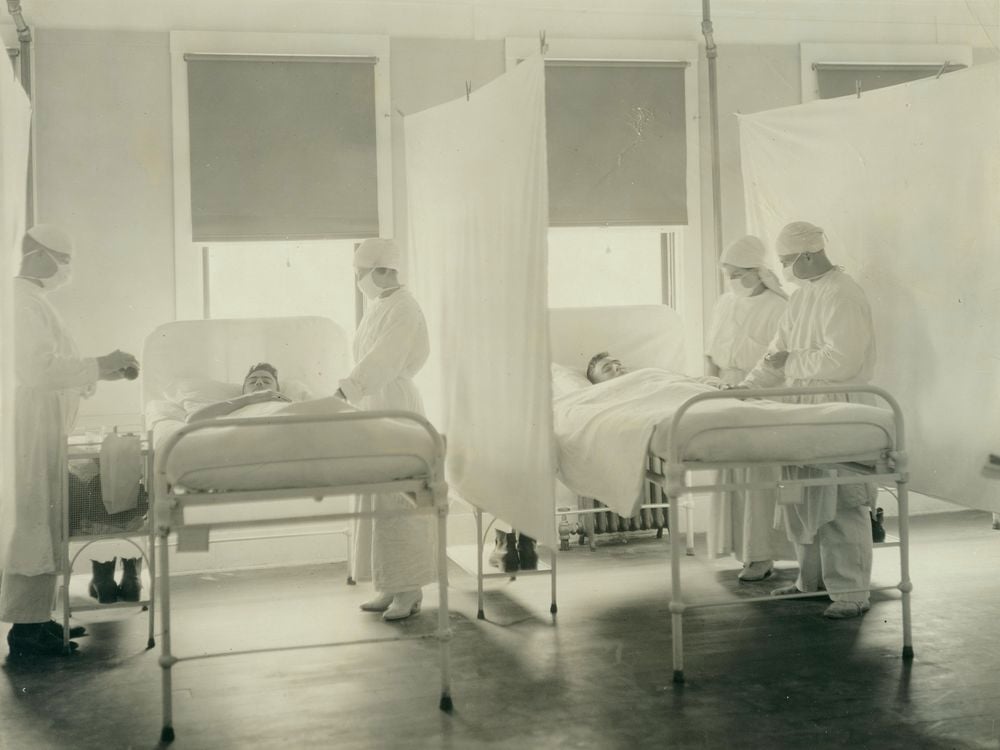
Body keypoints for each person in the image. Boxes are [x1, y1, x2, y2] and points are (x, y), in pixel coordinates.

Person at [1, 225, 140, 656]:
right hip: (31, 425)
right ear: (39, 256)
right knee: (34, 523)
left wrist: (103, 371)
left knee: (47, 520)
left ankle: (38, 620)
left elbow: (58, 366)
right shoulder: (21, 303)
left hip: (45, 424)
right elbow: (39, 370)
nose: (66, 271)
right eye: (63, 261)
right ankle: (24, 632)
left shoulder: (34, 303)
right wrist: (99, 364)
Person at [736, 221, 877, 620]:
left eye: (785, 262)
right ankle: (808, 582)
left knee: (840, 502)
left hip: (837, 405)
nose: (782, 270)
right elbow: (775, 353)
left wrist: (791, 362)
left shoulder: (844, 295)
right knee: (800, 498)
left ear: (809, 255)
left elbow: (842, 360)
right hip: (800, 403)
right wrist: (745, 388)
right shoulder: (800, 298)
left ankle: (851, 592)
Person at [336, 238, 436, 621]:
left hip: (395, 406)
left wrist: (348, 387)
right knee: (378, 499)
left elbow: (384, 360)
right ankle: (389, 584)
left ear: (382, 270)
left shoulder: (405, 309)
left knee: (400, 500)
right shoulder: (380, 306)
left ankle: (409, 590)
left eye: (362, 272)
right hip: (374, 406)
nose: (359, 279)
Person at [705, 236, 793, 582]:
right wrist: (711, 384)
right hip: (727, 388)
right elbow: (712, 350)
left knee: (760, 473)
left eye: (738, 274)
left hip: (765, 392)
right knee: (732, 472)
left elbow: (778, 362)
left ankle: (763, 555)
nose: (732, 281)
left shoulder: (780, 307)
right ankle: (743, 552)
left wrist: (750, 388)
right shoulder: (725, 303)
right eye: (727, 274)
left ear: (758, 271)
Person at [186, 362, 291, 423]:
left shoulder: (289, 405)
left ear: (277, 389)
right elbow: (193, 420)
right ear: (243, 391)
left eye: (267, 381)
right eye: (252, 381)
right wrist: (247, 399)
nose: (259, 383)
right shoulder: (233, 407)